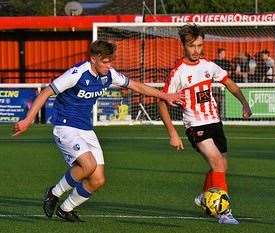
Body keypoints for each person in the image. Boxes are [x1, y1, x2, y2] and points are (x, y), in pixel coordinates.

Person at [12, 40, 183, 222]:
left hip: (86, 129)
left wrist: (165, 95)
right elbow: (46, 91)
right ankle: (53, 193)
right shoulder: (77, 74)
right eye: (105, 62)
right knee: (88, 166)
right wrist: (28, 120)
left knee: (98, 180)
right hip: (65, 126)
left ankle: (66, 208)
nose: (109, 66)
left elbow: (136, 86)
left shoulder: (109, 75)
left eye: (111, 62)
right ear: (93, 59)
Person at [158, 24, 252, 225]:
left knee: (221, 166)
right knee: (217, 162)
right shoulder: (178, 72)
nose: (196, 50)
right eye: (192, 46)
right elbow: (162, 101)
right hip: (195, 125)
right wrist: (173, 133)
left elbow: (229, 83)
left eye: (200, 45)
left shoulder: (209, 66)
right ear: (183, 45)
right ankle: (224, 212)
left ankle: (205, 198)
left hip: (215, 123)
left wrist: (244, 103)